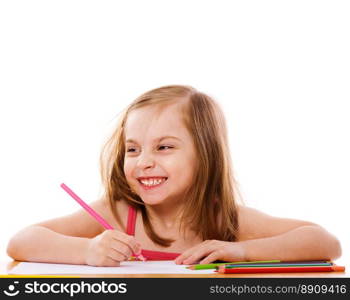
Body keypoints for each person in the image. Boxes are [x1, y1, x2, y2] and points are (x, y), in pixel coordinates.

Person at [7, 85, 342, 267]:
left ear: (205, 154)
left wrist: (242, 251)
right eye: (133, 149)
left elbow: (325, 242)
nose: (144, 162)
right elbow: (21, 241)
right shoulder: (118, 213)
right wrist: (87, 251)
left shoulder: (225, 219)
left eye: (164, 147)